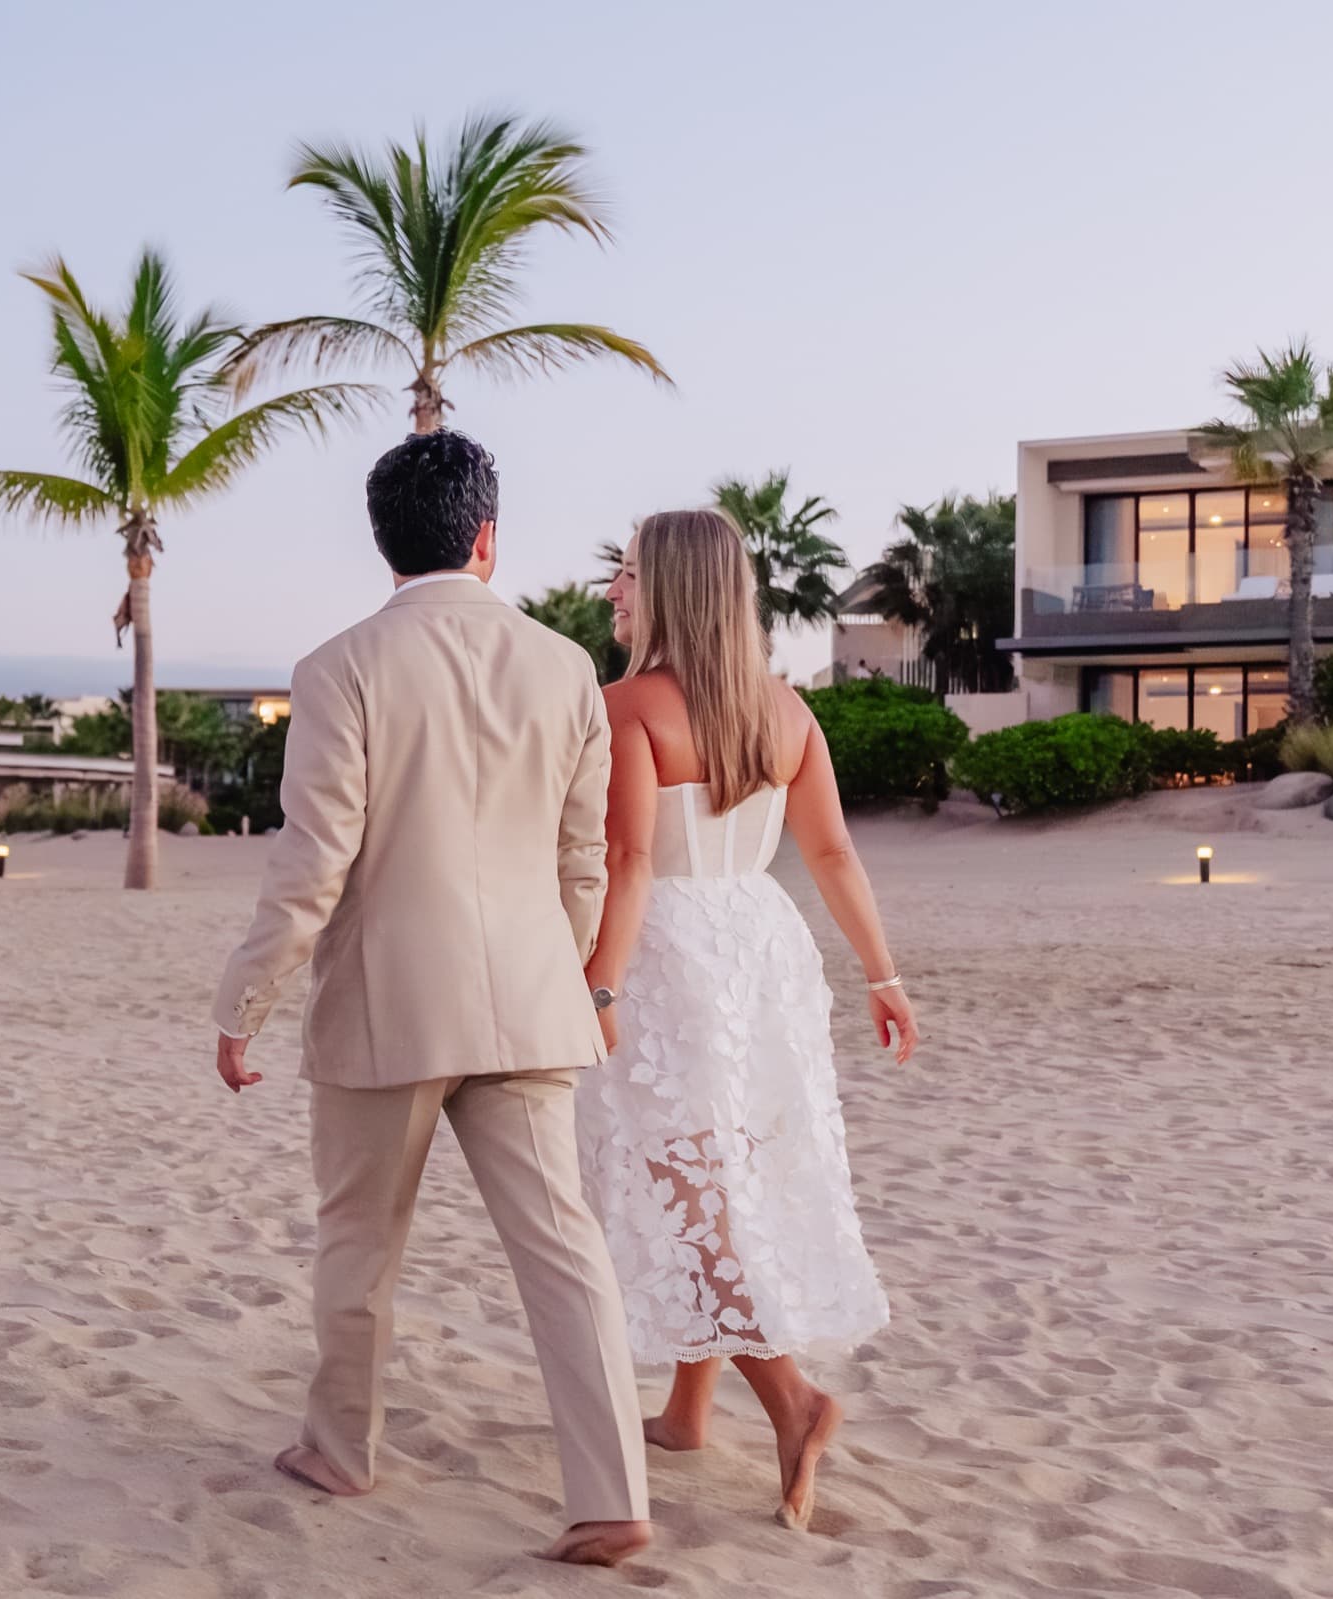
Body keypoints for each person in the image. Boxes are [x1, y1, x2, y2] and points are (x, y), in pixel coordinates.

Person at [210, 430, 653, 1567]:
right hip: (529, 999)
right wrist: (570, 977)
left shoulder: (338, 667)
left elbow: (314, 862)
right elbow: (582, 860)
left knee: (359, 1242)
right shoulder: (565, 670)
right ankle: (611, 1494)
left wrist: (244, 1000)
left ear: (383, 542)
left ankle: (342, 1451)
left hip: (387, 1002)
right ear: (488, 537)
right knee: (564, 1247)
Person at [575, 508, 918, 1533]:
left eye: (627, 574)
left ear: (669, 588)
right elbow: (832, 856)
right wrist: (881, 973)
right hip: (762, 949)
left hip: (669, 954)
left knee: (687, 1191)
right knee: (725, 1172)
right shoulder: (787, 710)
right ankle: (688, 1409)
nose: (614, 593)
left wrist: (598, 984)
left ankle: (794, 1400)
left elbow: (631, 864)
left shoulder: (626, 705)